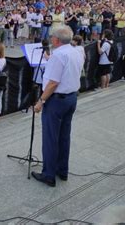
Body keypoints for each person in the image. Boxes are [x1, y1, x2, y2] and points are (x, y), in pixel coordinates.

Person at [31, 26, 84, 187]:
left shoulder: (59, 55)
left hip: (57, 100)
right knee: (64, 136)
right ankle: (62, 170)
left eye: (53, 36)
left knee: (51, 138)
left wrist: (41, 101)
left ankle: (49, 174)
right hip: (71, 98)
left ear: (56, 40)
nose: (51, 38)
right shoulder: (77, 51)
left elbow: (53, 82)